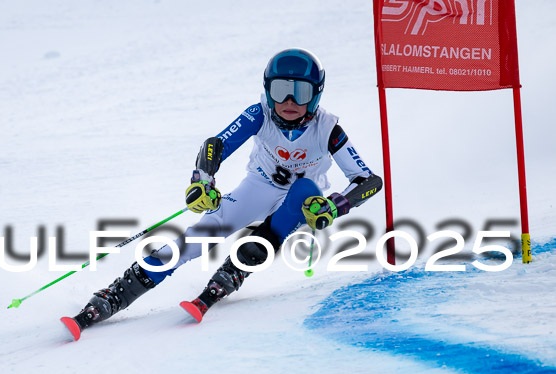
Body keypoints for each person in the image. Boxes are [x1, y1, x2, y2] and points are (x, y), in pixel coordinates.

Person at [61, 48, 382, 340]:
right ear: (268, 90)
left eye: (301, 92)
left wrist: (333, 206)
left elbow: (367, 180)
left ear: (316, 95)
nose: (289, 102)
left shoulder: (328, 129)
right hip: (258, 188)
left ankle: (234, 270)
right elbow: (216, 145)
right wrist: (203, 181)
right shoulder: (260, 114)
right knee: (198, 236)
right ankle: (114, 295)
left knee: (304, 191)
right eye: (280, 90)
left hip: (301, 203)